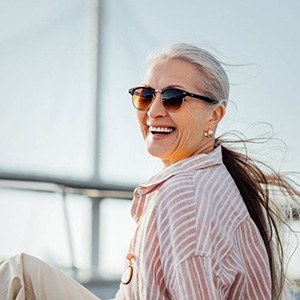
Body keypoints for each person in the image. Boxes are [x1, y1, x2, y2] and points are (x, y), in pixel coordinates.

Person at [0, 43, 299, 299]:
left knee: (13, 276)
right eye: (145, 95)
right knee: (20, 271)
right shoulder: (215, 181)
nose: (154, 110)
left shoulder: (183, 196)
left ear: (214, 115)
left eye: (173, 97)